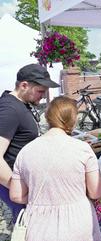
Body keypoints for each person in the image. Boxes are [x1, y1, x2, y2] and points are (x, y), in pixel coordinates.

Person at [9, 96, 101, 241]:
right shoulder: (81, 148)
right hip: (77, 226)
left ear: (48, 119)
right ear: (73, 120)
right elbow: (96, 192)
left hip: (38, 229)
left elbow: (16, 195)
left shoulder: (25, 151)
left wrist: (44, 199)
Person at [0, 63, 60, 222]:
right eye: (40, 91)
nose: (43, 95)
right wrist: (16, 188)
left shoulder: (20, 103)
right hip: (17, 185)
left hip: (26, 181)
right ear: (24, 85)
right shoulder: (9, 109)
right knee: (28, 227)